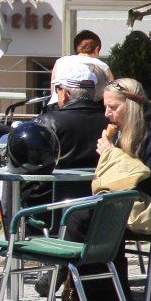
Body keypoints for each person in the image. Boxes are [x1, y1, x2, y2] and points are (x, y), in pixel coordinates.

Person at [36, 77, 151, 301]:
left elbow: (150, 179)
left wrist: (111, 155)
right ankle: (95, 296)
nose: (107, 114)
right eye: (105, 107)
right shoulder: (126, 129)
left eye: (113, 107)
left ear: (132, 105)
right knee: (82, 213)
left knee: (85, 218)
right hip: (126, 202)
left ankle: (97, 296)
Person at [30, 59, 109, 206]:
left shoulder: (46, 122)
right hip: (99, 205)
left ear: (65, 94)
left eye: (57, 89)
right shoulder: (111, 122)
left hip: (53, 208)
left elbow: (31, 173)